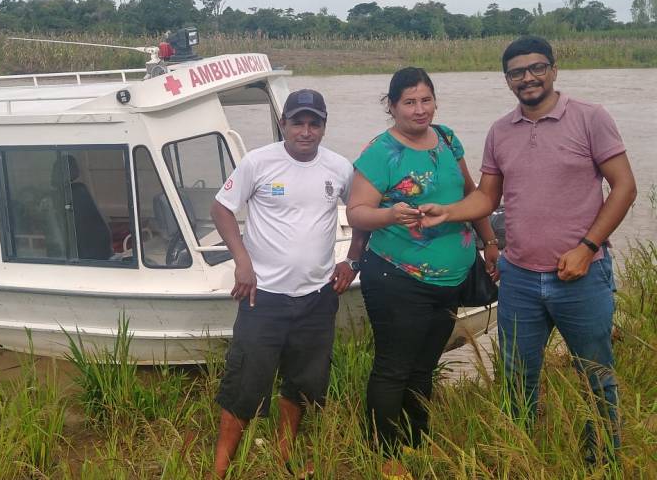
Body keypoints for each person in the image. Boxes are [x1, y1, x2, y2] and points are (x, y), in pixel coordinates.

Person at [419, 36, 637, 465]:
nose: (528, 78)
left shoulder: (591, 118)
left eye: (537, 68)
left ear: (554, 70)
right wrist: (446, 211)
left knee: (596, 375)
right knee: (517, 377)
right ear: (507, 81)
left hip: (582, 275)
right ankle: (523, 456)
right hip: (518, 278)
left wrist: (587, 247)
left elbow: (625, 187)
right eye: (517, 72)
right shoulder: (501, 131)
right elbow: (486, 197)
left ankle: (604, 461)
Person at [346, 67, 499, 479]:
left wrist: (489, 242)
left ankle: (417, 438)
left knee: (423, 364)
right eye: (409, 102)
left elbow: (474, 195)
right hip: (398, 277)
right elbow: (356, 211)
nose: (419, 109)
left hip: (450, 279)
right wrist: (389, 213)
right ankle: (384, 453)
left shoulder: (447, 138)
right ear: (391, 106)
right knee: (394, 366)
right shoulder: (380, 152)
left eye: (426, 100)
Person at [210, 89, 366, 479]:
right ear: (284, 124)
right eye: (298, 122)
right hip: (263, 298)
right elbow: (221, 208)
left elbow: (362, 213)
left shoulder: (340, 168)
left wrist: (353, 260)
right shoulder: (258, 163)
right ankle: (220, 467)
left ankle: (285, 455)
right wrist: (241, 261)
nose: (306, 131)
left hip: (317, 298)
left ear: (324, 127)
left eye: (315, 123)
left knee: (304, 383)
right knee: (245, 382)